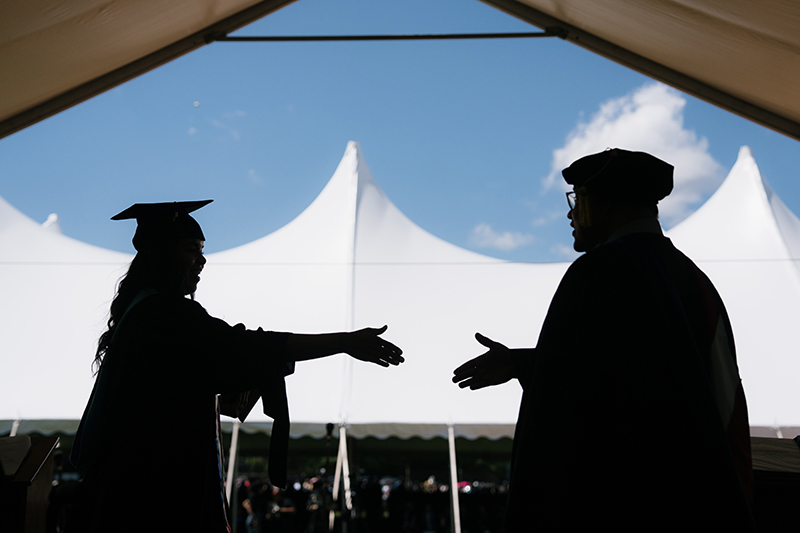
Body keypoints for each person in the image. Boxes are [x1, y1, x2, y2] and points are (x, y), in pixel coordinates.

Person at [452, 149, 754, 530]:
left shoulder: (599, 271)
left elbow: (584, 397)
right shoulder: (692, 279)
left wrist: (529, 366)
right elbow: (642, 376)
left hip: (621, 502)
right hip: (690, 497)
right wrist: (524, 362)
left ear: (604, 203)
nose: (570, 213)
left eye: (578, 199)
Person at [69, 200, 403, 532]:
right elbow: (242, 348)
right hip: (148, 496)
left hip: (137, 484)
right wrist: (341, 342)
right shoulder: (162, 315)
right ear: (161, 254)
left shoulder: (143, 313)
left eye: (201, 250)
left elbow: (216, 363)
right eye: (190, 249)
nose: (201, 261)